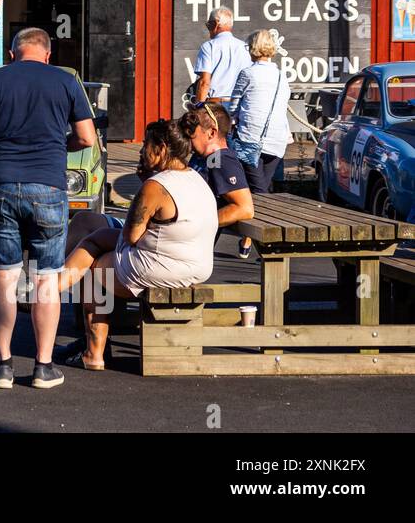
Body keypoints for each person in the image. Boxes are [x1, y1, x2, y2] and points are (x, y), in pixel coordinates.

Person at [0, 27, 97, 390]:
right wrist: (58, 144)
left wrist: (4, 144)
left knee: (5, 276)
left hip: (2, 185)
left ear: (12, 54)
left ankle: (3, 367)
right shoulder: (67, 82)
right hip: (49, 187)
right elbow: (87, 137)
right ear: (48, 54)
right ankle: (43, 367)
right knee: (45, 278)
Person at [55, 119, 217, 370]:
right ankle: (52, 290)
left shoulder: (156, 186)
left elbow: (131, 236)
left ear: (161, 148)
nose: (141, 151)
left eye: (145, 145)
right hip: (195, 265)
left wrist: (145, 186)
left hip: (161, 267)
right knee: (93, 230)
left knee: (94, 265)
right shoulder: (195, 178)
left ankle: (93, 351)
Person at [179, 101, 257, 259]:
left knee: (114, 254)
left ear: (211, 133)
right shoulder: (205, 158)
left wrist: (199, 225)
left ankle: (111, 282)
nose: (187, 136)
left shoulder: (222, 160)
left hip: (187, 250)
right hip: (179, 241)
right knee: (115, 240)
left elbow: (245, 208)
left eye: (192, 131)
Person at [229, 29, 291, 195]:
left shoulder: (248, 74)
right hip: (277, 140)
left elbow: (233, 107)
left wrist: (231, 120)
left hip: (250, 137)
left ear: (252, 48)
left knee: (257, 190)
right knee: (262, 185)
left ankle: (257, 219)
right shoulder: (281, 76)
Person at [193, 7, 251, 106]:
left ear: (216, 24)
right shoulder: (245, 47)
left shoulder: (209, 46)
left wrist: (198, 107)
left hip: (216, 106)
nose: (208, 29)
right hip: (240, 105)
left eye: (209, 25)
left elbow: (204, 82)